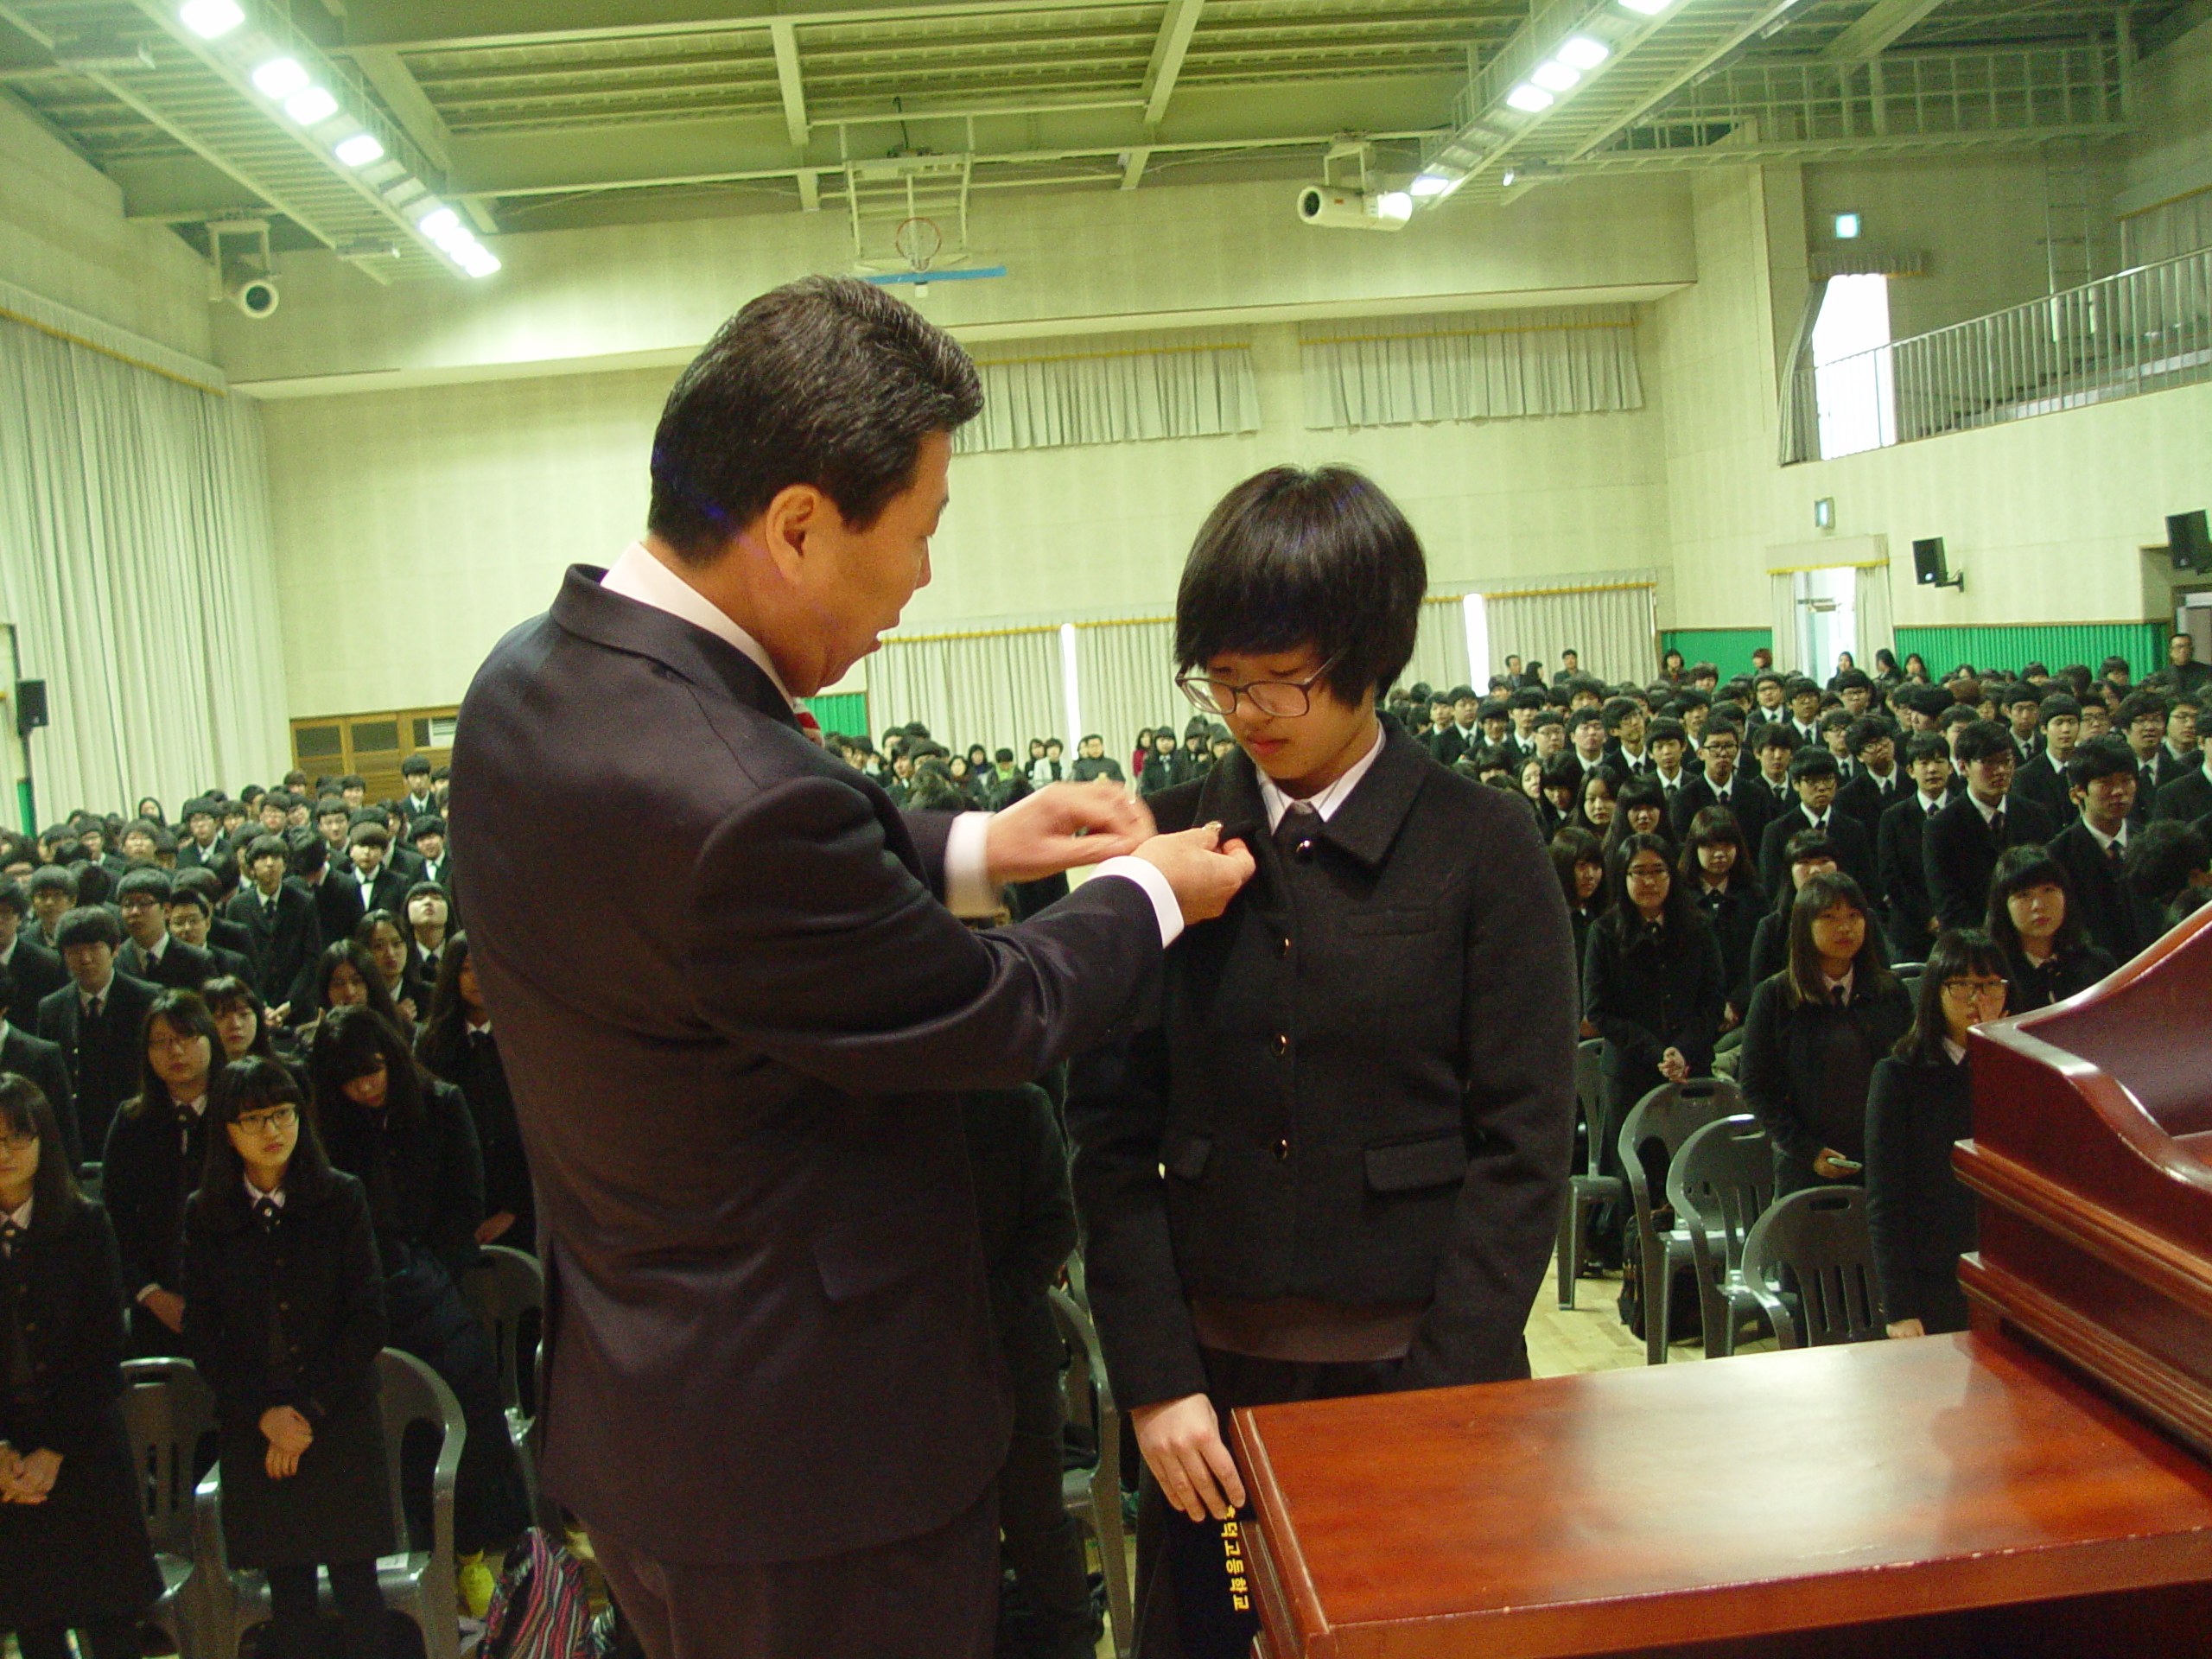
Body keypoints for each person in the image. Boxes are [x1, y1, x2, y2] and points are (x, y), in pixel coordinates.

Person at [451, 276, 1251, 1659]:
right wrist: (1144, 892)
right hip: (810, 1466)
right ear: (800, 526)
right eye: (923, 531)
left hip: (657, 1417)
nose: (928, 575)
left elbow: (729, 906)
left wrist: (980, 845)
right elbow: (997, 1009)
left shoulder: (535, 681)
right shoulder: (735, 802)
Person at [1065, 464, 1573, 1659]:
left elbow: (1525, 1144)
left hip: (1425, 1381)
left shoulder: (1481, 845)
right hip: (1214, 1402)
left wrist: (1443, 1394)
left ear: (1369, 653)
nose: (1250, 710)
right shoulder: (1172, 836)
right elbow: (1109, 1137)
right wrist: (1154, 1380)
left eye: (1283, 677)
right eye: (1223, 680)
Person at [308, 1006, 530, 1611]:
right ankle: (413, 1559)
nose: (365, 1087)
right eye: (350, 1079)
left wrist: (430, 1266)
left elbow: (466, 1199)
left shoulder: (438, 1101)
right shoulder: (331, 1122)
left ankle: (469, 1554)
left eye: (373, 1072)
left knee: (462, 1413)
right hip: (366, 1284)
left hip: (436, 1279)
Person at [180, 1058, 393, 1659]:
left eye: (282, 1113)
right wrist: (264, 1416)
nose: (271, 1129)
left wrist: (304, 1412)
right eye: (253, 1118)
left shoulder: (340, 1196)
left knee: (359, 1591)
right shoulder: (205, 1213)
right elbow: (204, 1333)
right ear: (227, 1129)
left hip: (339, 1418)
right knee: (289, 1599)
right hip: (256, 1428)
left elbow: (368, 1318)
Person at [0, 1074, 162, 1659]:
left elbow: (102, 1350)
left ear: (45, 1142)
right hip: (8, 1465)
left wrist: (54, 1451)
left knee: (110, 1624)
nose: (4, 1153)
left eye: (18, 1137)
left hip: (85, 1448)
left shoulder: (85, 1223)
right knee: (35, 1626)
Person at [1583, 831, 1726, 1254]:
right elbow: (1599, 1009)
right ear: (1622, 878)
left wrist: (1683, 1049)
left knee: (1690, 1169)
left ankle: (1692, 1268)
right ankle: (1638, 1267)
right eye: (1638, 873)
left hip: (1690, 1068)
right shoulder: (1605, 932)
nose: (1648, 882)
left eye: (1658, 871)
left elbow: (1712, 1000)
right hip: (1630, 1071)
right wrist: (1654, 1049)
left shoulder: (1698, 926)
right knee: (1637, 1174)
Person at [1866, 930, 2008, 1339]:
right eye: (1962, 985)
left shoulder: (2020, 1072)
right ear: (1935, 992)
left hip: (2007, 1279)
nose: (1979, 999)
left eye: (1991, 985)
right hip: (1934, 1282)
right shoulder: (1898, 1076)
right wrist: (1899, 1308)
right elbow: (1885, 1200)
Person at [1739, 872, 1912, 1195]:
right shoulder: (1776, 995)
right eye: (1829, 917)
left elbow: (1908, 1075)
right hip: (1805, 1164)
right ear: (1805, 926)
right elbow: (1755, 1086)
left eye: (1854, 916)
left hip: (1883, 1160)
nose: (1845, 927)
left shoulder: (1890, 991)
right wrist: (1807, 1150)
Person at [414, 934, 531, 1252]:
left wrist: (513, 1207)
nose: (476, 977)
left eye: (484, 965)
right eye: (466, 968)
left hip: (523, 1200)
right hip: (455, 1202)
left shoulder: (525, 1036)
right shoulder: (431, 1043)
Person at [35, 908, 159, 1170]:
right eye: (74, 951)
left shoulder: (147, 999)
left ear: (115, 949)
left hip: (136, 1125)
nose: (86, 959)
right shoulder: (51, 1007)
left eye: (94, 948)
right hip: (78, 1130)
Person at [1986, 845, 2115, 1013]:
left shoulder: (2099, 965)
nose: (2038, 905)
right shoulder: (1994, 977)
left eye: (2048, 890)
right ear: (2003, 906)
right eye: (2024, 895)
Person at [1680, 806, 1763, 1032]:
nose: (1719, 854)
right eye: (1709, 846)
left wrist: (1735, 1004)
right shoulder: (1679, 898)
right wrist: (1713, 1008)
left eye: (1727, 845)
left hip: (1746, 1014)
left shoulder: (1755, 896)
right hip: (1691, 1015)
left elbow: (1762, 961)